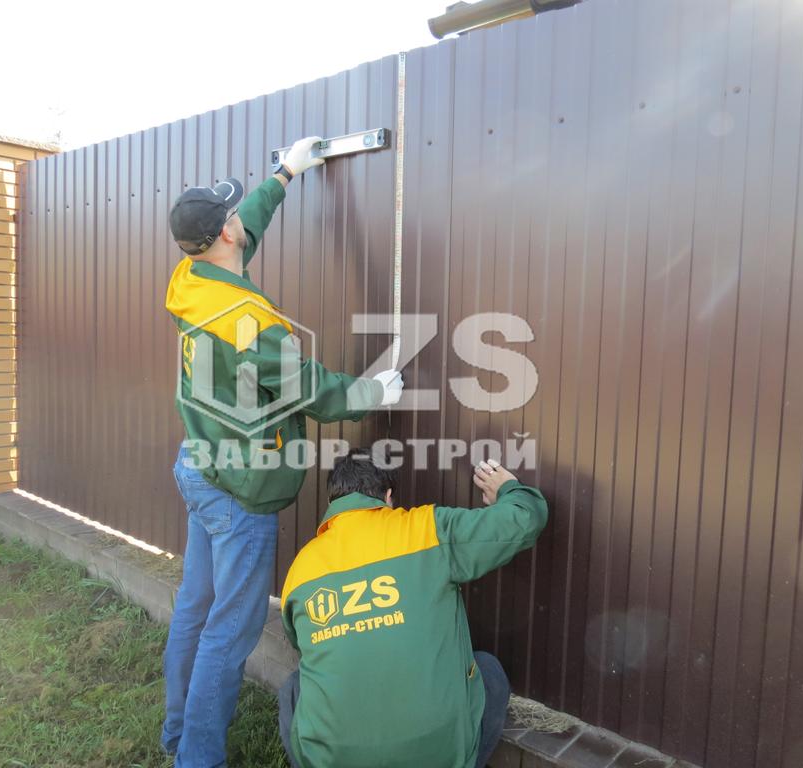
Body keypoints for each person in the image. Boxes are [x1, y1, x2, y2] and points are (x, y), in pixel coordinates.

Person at [161, 137, 405, 767]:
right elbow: (313, 391)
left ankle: (177, 734)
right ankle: (196, 759)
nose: (239, 218)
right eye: (232, 214)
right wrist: (373, 391)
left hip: (200, 464)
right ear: (224, 234)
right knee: (229, 632)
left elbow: (245, 230)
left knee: (195, 607)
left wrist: (285, 174)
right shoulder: (249, 324)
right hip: (240, 491)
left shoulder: (192, 279)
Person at [279, 449, 548, 768]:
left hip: (331, 760)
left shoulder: (301, 568)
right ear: (388, 497)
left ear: (332, 503)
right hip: (438, 755)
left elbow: (298, 641)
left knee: (295, 685)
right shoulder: (428, 530)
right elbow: (525, 518)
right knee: (489, 671)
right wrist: (507, 489)